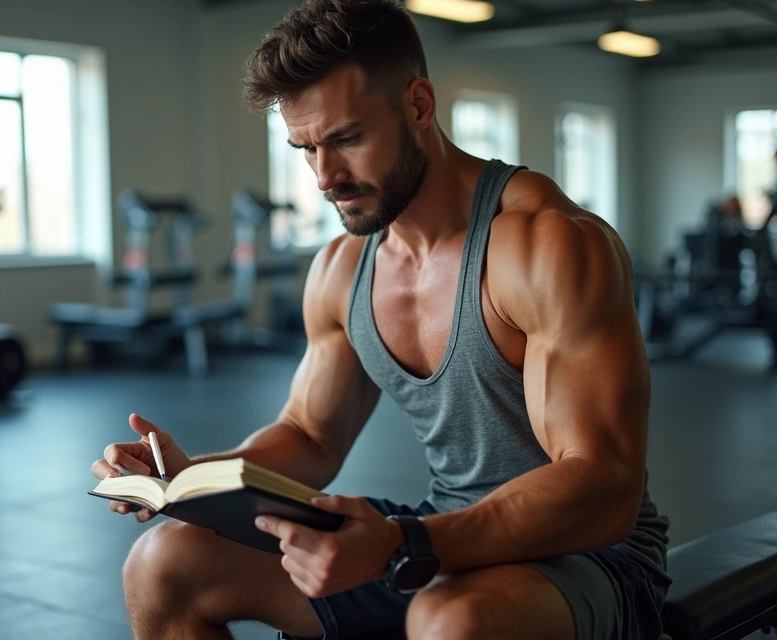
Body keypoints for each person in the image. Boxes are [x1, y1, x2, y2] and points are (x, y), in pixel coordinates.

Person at [90, 1, 670, 638]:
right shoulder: (341, 269)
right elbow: (311, 437)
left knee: (453, 619)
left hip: (586, 558)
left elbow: (603, 484)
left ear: (419, 105)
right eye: (306, 148)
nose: (324, 177)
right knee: (164, 562)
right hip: (434, 533)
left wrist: (408, 543)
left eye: (345, 139)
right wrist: (193, 478)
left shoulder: (543, 245)